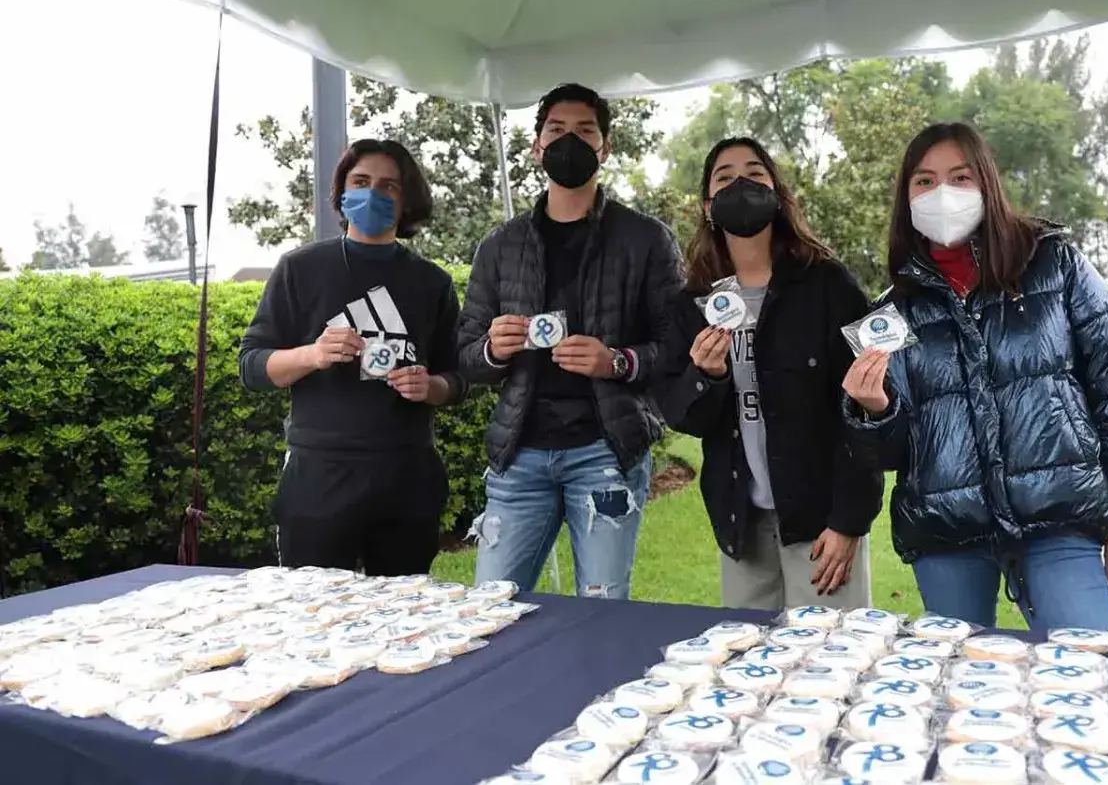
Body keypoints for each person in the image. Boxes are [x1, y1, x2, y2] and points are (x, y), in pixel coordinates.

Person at [841, 121, 1108, 631]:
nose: (942, 192)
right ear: (906, 197)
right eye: (924, 181)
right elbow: (895, 456)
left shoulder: (1056, 264)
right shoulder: (892, 311)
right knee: (959, 673)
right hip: (947, 531)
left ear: (987, 183)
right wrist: (875, 411)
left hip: (1059, 516)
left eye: (960, 177)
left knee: (1086, 664)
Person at [456, 83, 683, 599]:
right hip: (519, 455)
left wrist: (616, 361)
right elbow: (467, 354)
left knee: (602, 607)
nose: (570, 142)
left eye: (585, 132)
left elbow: (674, 346)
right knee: (490, 607)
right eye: (557, 130)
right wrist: (494, 348)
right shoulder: (500, 245)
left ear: (605, 148)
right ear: (536, 147)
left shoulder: (645, 239)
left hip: (605, 451)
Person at [653, 137, 883, 609]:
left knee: (828, 654)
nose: (741, 183)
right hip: (742, 527)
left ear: (777, 194)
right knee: (746, 652)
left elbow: (863, 410)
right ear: (708, 206)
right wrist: (707, 375)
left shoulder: (828, 285)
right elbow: (683, 416)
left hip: (821, 525)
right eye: (724, 177)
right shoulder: (692, 305)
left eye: (755, 173)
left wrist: (849, 520)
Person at [239, 138, 469, 576]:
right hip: (319, 477)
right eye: (360, 182)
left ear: (407, 200)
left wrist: (431, 387)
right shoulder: (299, 269)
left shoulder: (432, 282)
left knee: (405, 610)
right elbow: (252, 366)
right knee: (313, 608)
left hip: (406, 477)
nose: (372, 194)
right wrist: (312, 354)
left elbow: (459, 378)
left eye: (388, 186)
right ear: (342, 191)